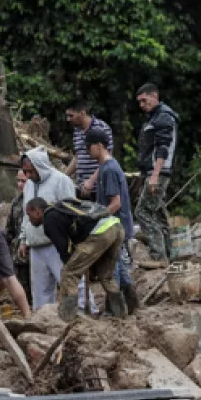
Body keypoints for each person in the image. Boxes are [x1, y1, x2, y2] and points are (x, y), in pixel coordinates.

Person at [25, 198, 127, 321]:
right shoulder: (60, 208)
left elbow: (64, 249)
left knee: (69, 274)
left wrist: (70, 266)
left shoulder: (49, 220)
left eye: (29, 215)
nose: (29, 220)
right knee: (106, 276)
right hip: (115, 226)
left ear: (37, 211)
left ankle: (68, 317)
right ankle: (121, 313)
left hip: (100, 232)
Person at [87, 126, 140, 312]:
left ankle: (114, 310)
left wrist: (96, 218)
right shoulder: (106, 167)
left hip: (115, 228)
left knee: (111, 272)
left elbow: (115, 203)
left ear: (99, 146)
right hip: (117, 227)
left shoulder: (109, 170)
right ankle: (132, 305)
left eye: (89, 147)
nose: (87, 151)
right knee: (120, 269)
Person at [17, 147, 76, 308]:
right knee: (40, 292)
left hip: (58, 245)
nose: (28, 176)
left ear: (40, 166)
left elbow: (71, 212)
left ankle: (85, 315)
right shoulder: (29, 185)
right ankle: (43, 323)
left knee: (70, 283)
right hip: (36, 245)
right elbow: (26, 214)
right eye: (25, 172)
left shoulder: (61, 181)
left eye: (30, 171)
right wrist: (24, 239)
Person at [134, 83, 180, 262]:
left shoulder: (163, 117)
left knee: (143, 212)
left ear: (154, 96)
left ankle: (158, 256)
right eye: (139, 102)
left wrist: (154, 175)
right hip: (155, 172)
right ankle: (169, 253)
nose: (142, 105)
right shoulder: (155, 117)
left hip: (158, 173)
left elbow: (163, 148)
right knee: (158, 213)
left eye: (144, 100)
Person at [64, 99, 114, 198]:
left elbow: (107, 159)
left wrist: (92, 180)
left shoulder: (102, 128)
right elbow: (77, 157)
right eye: (67, 116)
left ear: (82, 113)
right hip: (82, 187)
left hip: (99, 188)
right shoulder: (77, 131)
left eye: (71, 115)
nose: (68, 119)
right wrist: (63, 177)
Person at [5, 169, 31, 303]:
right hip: (17, 255)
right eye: (18, 181)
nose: (20, 184)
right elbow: (9, 230)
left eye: (23, 181)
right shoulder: (16, 202)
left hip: (32, 252)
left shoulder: (34, 200)